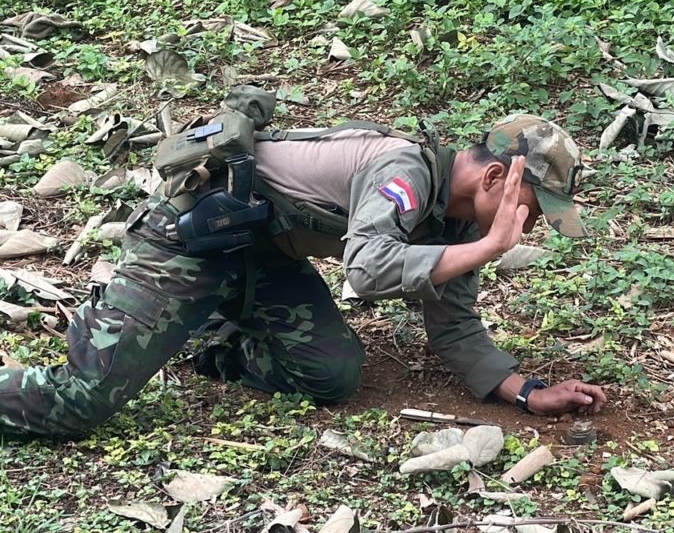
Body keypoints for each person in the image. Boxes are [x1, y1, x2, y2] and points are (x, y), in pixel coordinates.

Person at [0, 91, 607, 438]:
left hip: (257, 255)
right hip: (185, 242)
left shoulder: (455, 220)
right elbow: (366, 270)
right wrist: (488, 247)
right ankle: (147, 320)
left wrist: (527, 393)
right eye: (528, 209)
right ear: (496, 176)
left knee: (332, 374)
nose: (524, 228)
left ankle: (208, 332)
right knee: (81, 403)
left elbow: (454, 326)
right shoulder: (406, 174)